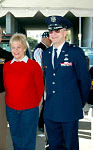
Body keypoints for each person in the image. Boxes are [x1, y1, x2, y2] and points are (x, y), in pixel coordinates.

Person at [42, 15, 91, 150]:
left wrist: (77, 103)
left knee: (70, 146)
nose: (54, 34)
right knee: (54, 146)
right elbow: (47, 79)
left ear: (65, 32)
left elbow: (85, 82)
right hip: (51, 110)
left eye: (57, 30)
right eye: (51, 31)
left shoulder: (75, 52)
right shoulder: (46, 54)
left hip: (69, 109)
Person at [3, 33, 44, 150]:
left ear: (25, 48)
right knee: (16, 139)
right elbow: (7, 87)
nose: (16, 50)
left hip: (29, 110)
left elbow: (40, 88)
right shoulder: (6, 66)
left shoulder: (34, 66)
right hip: (11, 109)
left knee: (28, 141)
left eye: (19, 47)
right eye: (13, 47)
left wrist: (33, 105)